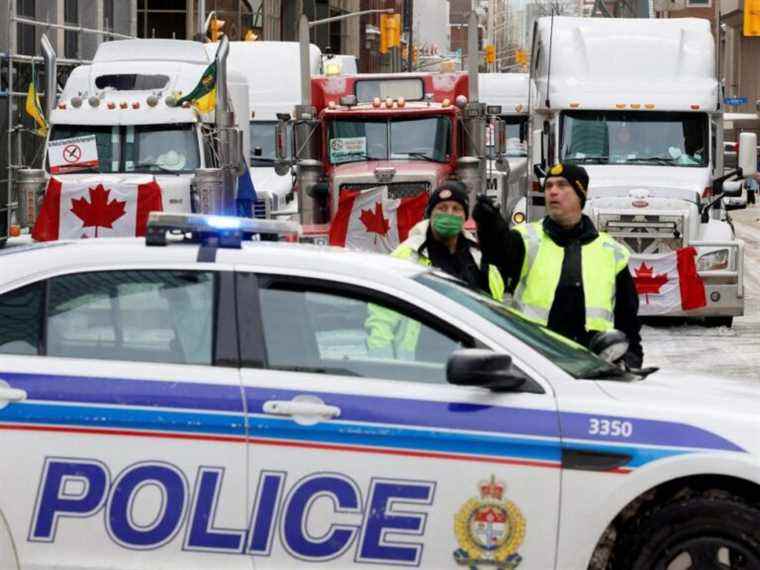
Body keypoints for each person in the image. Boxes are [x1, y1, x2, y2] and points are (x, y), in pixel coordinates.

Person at [473, 163, 644, 369]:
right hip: (537, 361)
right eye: (548, 186)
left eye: (562, 185)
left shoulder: (611, 251)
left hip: (594, 365)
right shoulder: (526, 238)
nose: (553, 191)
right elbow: (499, 251)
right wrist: (489, 223)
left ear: (580, 194)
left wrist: (632, 359)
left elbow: (628, 318)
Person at [364, 181, 505, 359]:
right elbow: (381, 317)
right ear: (430, 214)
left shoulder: (480, 258)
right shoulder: (406, 256)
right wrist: (382, 362)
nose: (449, 214)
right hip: (421, 364)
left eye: (456, 209)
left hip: (472, 362)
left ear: (465, 216)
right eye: (442, 208)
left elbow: (496, 313)